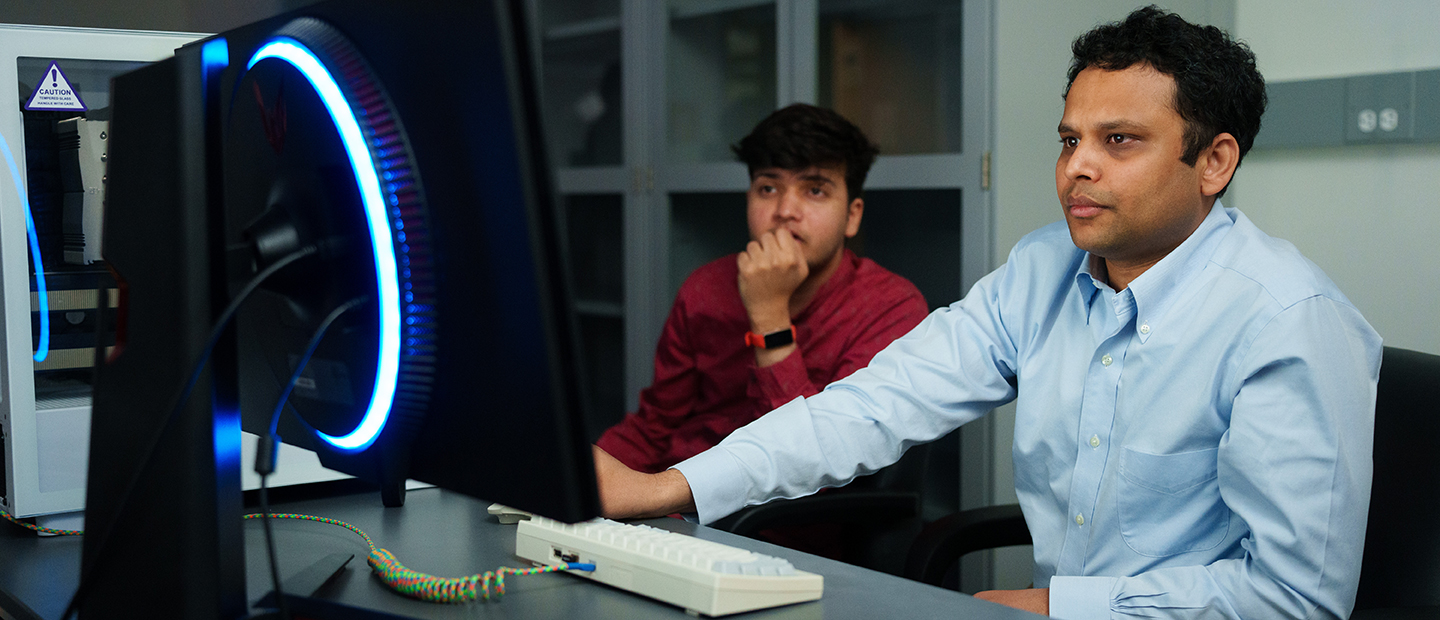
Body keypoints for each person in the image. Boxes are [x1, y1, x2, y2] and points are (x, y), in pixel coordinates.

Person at [592, 7, 1382, 620]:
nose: (1077, 166)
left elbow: (1296, 599)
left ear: (1214, 161)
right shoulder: (1044, 268)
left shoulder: (1289, 322)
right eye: (1069, 138)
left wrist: (1066, 607)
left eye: (1119, 140)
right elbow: (874, 404)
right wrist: (674, 485)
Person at [594, 103, 928, 476]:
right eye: (768, 188)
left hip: (784, 524)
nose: (785, 209)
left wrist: (769, 314)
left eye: (815, 190)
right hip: (676, 498)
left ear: (852, 215)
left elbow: (808, 461)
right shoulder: (704, 289)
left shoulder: (891, 307)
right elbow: (653, 428)